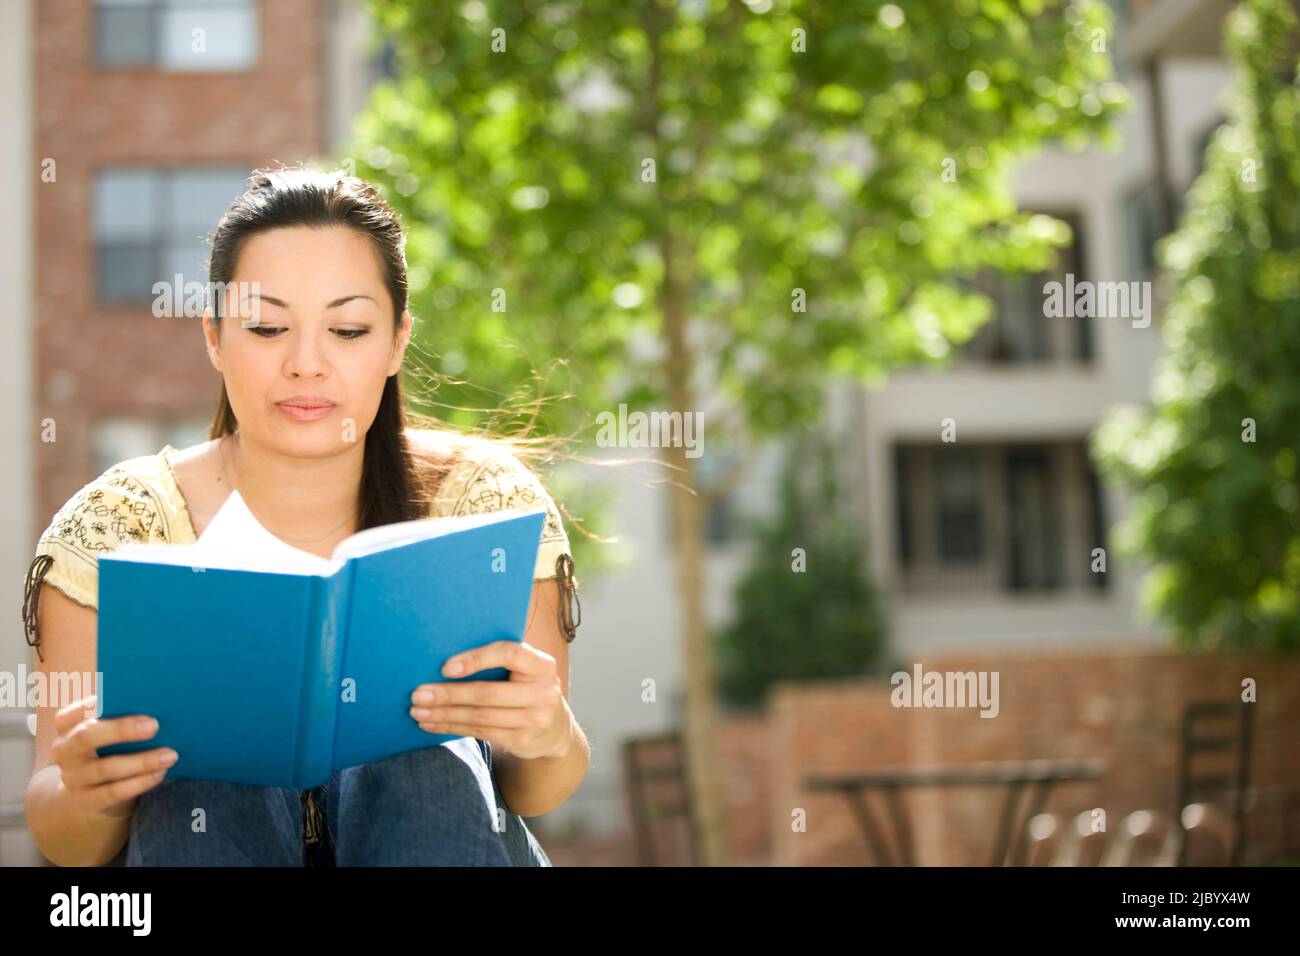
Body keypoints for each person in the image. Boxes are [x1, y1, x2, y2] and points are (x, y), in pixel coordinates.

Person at [22, 166, 587, 866]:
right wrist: (90, 791)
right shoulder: (117, 528)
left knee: (421, 755)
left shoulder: (482, 504)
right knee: (207, 761)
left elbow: (535, 791)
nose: (307, 365)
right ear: (215, 337)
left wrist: (549, 734)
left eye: (348, 329)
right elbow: (60, 829)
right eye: (266, 327)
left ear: (398, 341)